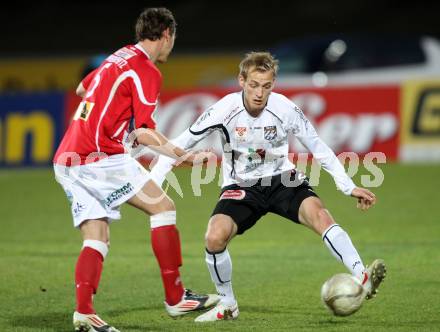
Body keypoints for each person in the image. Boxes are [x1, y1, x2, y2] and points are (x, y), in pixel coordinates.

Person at [150, 51, 387, 322]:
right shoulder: (223, 109)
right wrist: (154, 184)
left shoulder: (285, 108)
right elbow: (178, 145)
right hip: (242, 186)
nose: (259, 93)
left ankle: (361, 276)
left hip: (282, 179)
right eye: (253, 85)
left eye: (266, 86)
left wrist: (348, 186)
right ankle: (227, 305)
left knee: (320, 215)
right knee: (214, 236)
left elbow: (318, 147)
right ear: (241, 81)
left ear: (273, 84)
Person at [53, 8, 218, 332]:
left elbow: (82, 91)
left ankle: (84, 312)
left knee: (96, 235)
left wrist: (112, 119)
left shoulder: (118, 56)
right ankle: (175, 297)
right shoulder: (147, 70)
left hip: (67, 158)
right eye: (173, 38)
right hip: (98, 157)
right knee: (163, 207)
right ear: (167, 34)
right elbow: (143, 131)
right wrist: (183, 156)